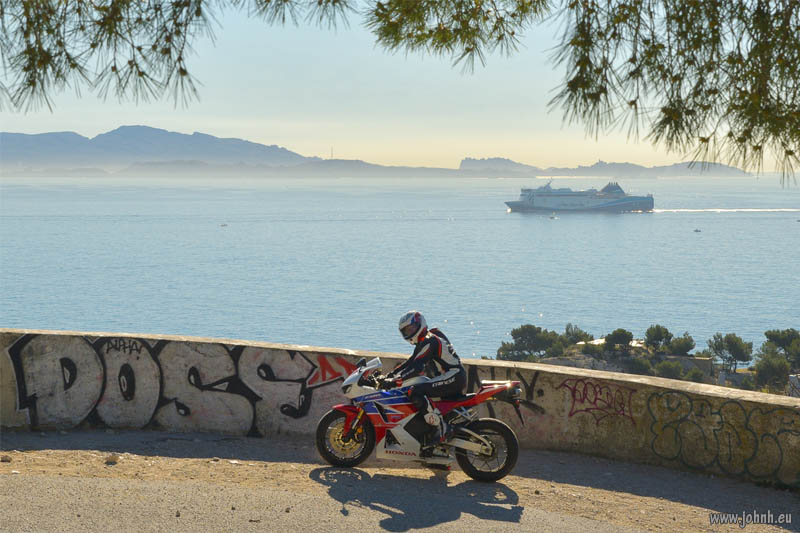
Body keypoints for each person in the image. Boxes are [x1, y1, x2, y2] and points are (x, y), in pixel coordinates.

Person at [383, 310, 466, 454]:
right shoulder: (427, 340)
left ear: (420, 324)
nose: (410, 332)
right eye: (406, 330)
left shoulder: (430, 341)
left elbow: (416, 367)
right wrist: (390, 375)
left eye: (411, 328)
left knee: (416, 391)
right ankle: (439, 454)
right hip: (452, 376)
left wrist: (395, 381)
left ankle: (441, 429)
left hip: (453, 376)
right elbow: (411, 361)